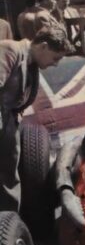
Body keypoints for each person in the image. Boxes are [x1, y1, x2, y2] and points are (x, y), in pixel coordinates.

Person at [1, 26, 72, 212]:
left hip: (9, 121)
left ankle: (9, 223)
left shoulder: (32, 65)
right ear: (43, 46)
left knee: (9, 178)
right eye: (56, 58)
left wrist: (14, 120)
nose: (55, 64)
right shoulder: (10, 50)